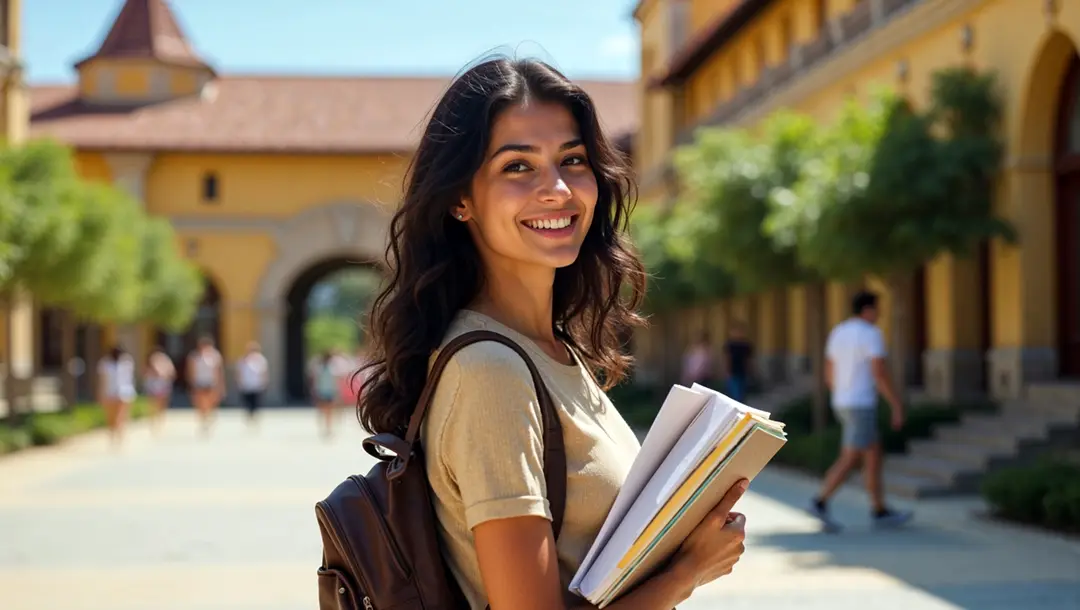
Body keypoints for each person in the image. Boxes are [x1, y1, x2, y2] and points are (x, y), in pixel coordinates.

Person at [354, 57, 749, 610]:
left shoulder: (555, 353)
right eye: (518, 167)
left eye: (573, 160)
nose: (558, 189)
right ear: (460, 200)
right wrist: (686, 571)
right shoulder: (490, 373)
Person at [808, 290, 912, 531]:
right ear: (868, 310)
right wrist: (896, 404)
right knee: (852, 456)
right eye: (877, 308)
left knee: (873, 454)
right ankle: (820, 501)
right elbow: (879, 372)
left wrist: (840, 393)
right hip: (861, 404)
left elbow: (829, 371)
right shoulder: (871, 334)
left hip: (843, 402)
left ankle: (879, 509)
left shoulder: (838, 332)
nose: (880, 314)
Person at [97, 345, 137, 446]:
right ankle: (112, 434)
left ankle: (120, 436)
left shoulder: (127, 362)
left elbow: (130, 378)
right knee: (111, 416)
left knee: (121, 416)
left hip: (124, 392)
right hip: (110, 392)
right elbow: (102, 381)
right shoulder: (105, 364)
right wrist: (101, 394)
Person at [187, 335, 224, 436]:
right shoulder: (195, 356)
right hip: (199, 382)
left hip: (211, 383)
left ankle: (208, 418)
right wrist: (192, 384)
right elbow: (191, 371)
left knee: (210, 402)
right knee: (200, 403)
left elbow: (218, 372)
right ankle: (203, 420)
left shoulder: (215, 356)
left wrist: (220, 385)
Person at [235, 341, 269, 428]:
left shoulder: (261, 360)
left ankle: (254, 416)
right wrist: (239, 382)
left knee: (256, 401)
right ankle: (249, 416)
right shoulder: (243, 360)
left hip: (257, 384)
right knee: (247, 401)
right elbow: (239, 372)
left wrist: (264, 382)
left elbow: (264, 372)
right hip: (246, 384)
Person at [143, 346, 176, 434]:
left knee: (160, 402)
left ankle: (158, 418)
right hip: (154, 384)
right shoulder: (152, 360)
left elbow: (171, 371)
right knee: (154, 402)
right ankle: (155, 419)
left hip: (162, 383)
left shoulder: (164, 359)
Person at [310, 350, 341, 439]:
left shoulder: (330, 368)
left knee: (329, 411)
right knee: (324, 411)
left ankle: (328, 428)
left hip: (328, 391)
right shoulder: (322, 368)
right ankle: (325, 428)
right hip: (324, 391)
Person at [722, 322, 754, 402]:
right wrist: (726, 370)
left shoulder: (746, 345)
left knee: (742, 390)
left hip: (743, 371)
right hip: (733, 371)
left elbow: (749, 359)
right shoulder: (730, 344)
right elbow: (727, 358)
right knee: (733, 391)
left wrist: (750, 370)